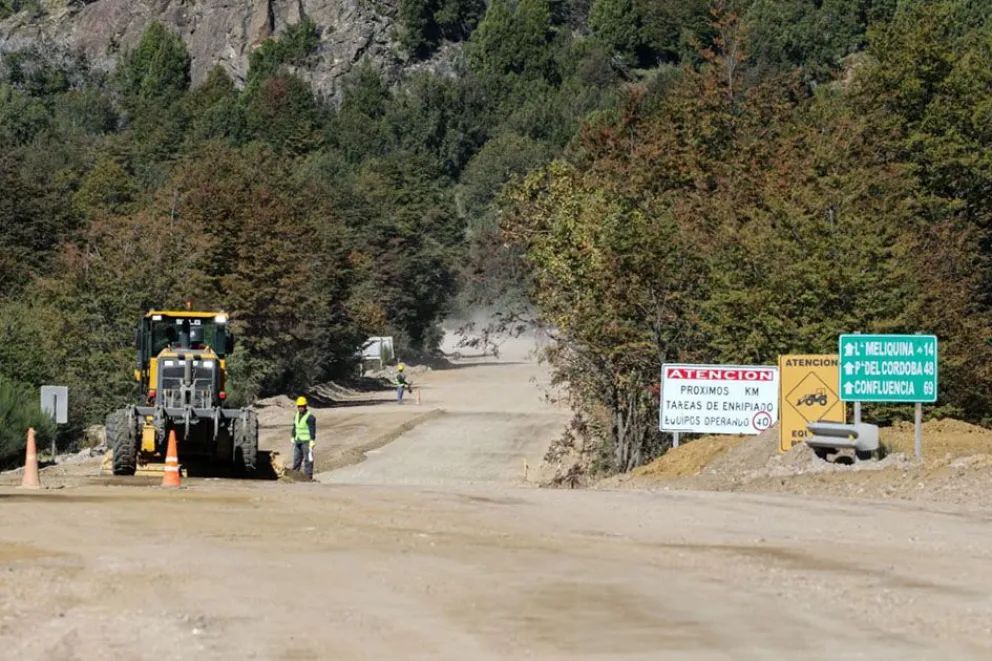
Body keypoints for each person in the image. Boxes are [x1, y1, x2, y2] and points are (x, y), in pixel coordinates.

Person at [291, 396, 315, 478]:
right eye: (299, 406)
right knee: (296, 459)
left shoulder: (310, 417)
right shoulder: (296, 416)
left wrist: (312, 440)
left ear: (305, 406)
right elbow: (295, 427)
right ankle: (294, 475)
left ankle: (308, 477)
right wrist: (292, 437)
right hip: (298, 441)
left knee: (308, 460)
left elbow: (312, 430)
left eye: (302, 406)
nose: (300, 408)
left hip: (306, 442)